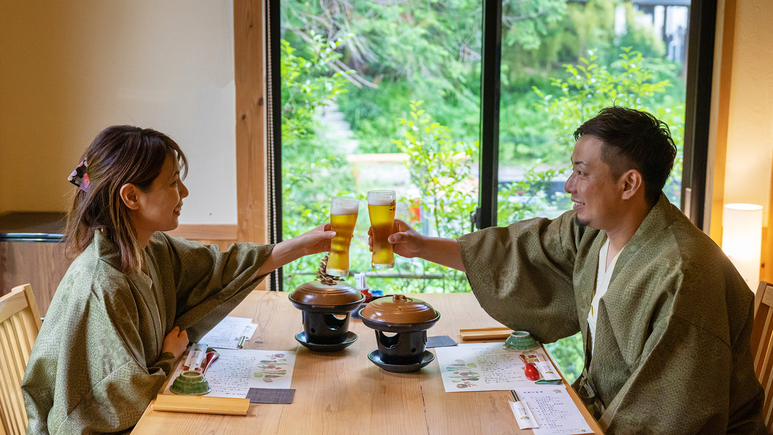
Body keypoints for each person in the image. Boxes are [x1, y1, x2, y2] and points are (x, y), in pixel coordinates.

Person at [371, 107, 766, 434]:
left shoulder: (684, 275)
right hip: (599, 417)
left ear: (629, 184)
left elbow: (669, 414)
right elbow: (521, 254)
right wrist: (420, 247)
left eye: (581, 172)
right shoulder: (595, 232)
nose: (567, 185)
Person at [22, 126, 336, 434]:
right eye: (173, 182)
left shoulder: (151, 247)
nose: (183, 191)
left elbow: (219, 268)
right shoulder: (102, 284)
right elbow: (116, 400)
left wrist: (302, 245)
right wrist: (169, 357)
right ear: (132, 196)